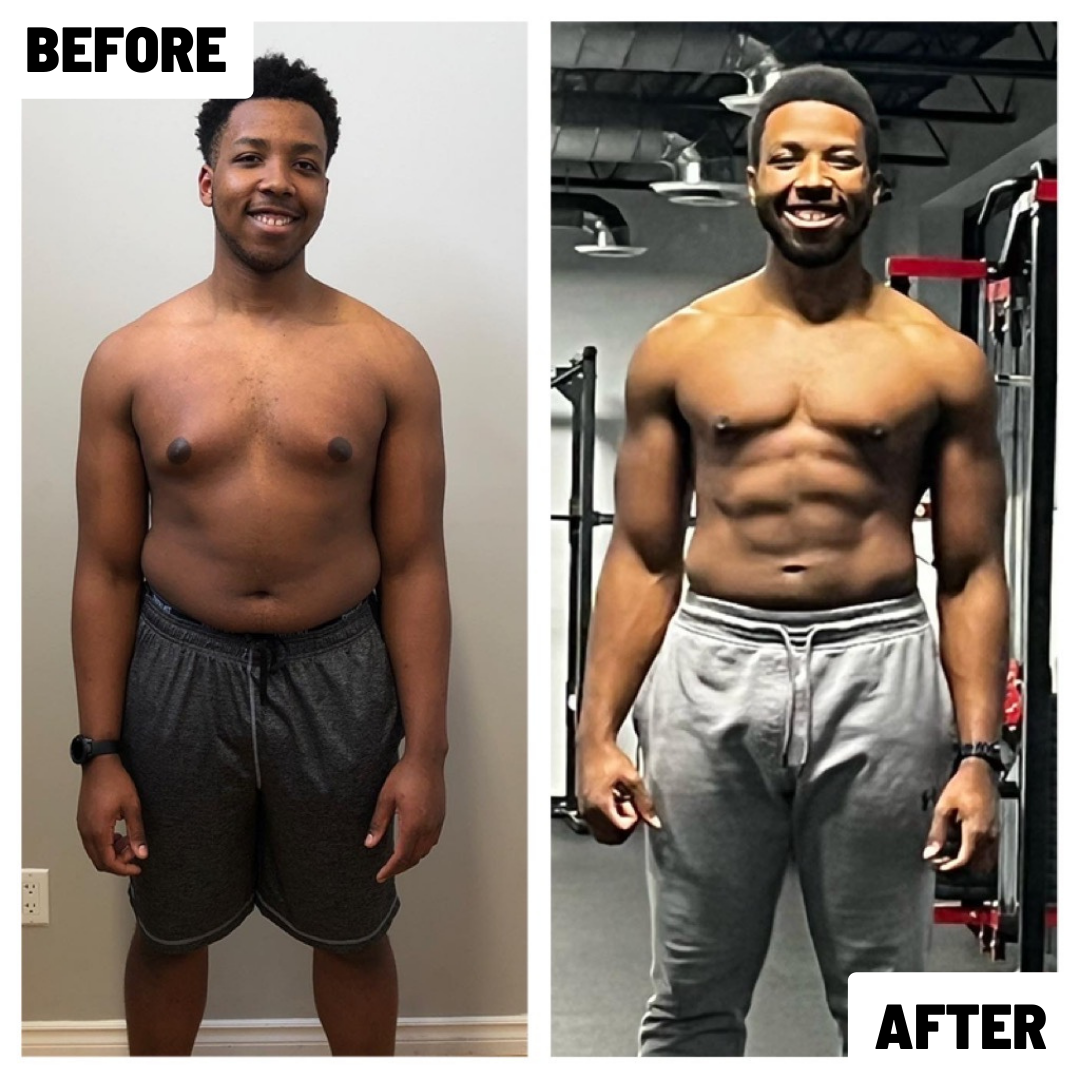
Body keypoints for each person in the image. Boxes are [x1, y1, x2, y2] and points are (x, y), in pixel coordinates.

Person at [575, 64, 1007, 1057]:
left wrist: (979, 757)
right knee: (690, 998)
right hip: (714, 659)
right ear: (753, 179)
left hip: (878, 664)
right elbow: (643, 554)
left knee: (888, 1002)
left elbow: (971, 570)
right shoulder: (681, 348)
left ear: (875, 183)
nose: (813, 179)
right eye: (789, 158)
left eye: (839, 159)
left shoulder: (940, 359)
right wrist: (594, 733)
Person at [71, 54, 450, 1056]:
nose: (278, 181)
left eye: (305, 162)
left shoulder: (389, 358)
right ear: (209, 181)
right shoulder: (130, 359)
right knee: (169, 932)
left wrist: (426, 755)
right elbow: (106, 568)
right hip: (178, 670)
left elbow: (416, 563)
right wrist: (100, 754)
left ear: (325, 186)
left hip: (341, 671)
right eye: (251, 157)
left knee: (354, 932)